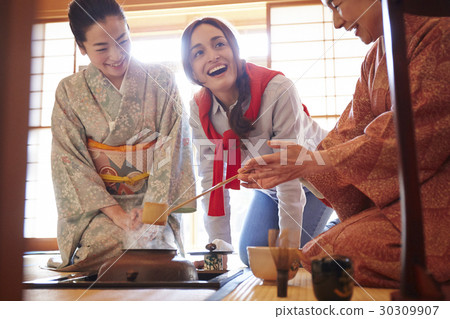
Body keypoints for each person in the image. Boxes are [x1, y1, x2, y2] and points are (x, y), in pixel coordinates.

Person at [239, 0, 450, 287]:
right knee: (320, 250)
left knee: (335, 252)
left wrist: (309, 163)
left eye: (337, 5)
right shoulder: (375, 56)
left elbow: (405, 134)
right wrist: (301, 166)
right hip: (397, 202)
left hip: (438, 198)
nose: (337, 22)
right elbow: (348, 132)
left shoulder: (438, 34)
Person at [50, 0, 196, 271]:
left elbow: (173, 147)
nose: (116, 55)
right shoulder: (70, 92)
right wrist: (117, 215)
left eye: (122, 41)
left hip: (154, 205)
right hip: (101, 209)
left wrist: (152, 213)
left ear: (129, 30)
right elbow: (69, 161)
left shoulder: (162, 81)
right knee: (107, 244)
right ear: (82, 48)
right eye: (102, 48)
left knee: (154, 248)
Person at [181, 17, 333, 266]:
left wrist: (289, 250)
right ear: (193, 72)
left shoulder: (278, 90)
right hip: (270, 186)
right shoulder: (199, 110)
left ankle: (342, 224)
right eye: (199, 52)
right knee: (252, 257)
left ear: (234, 50)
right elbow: (212, 179)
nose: (213, 56)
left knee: (300, 259)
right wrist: (216, 256)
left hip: (315, 181)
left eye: (219, 44)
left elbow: (290, 173)